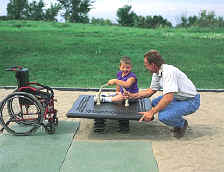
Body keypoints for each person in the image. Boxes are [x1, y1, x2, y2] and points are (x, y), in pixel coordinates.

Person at [124, 49, 200, 138]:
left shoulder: (168, 73)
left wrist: (151, 112)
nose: (145, 67)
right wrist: (133, 96)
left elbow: (168, 98)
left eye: (146, 65)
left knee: (163, 117)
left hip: (191, 101)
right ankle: (173, 116)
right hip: (177, 97)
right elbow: (150, 91)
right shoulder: (157, 72)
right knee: (154, 103)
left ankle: (181, 124)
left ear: (153, 65)